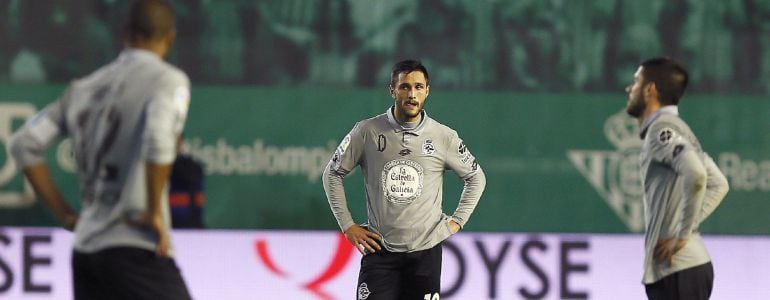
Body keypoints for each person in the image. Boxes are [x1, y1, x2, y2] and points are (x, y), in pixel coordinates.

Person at [8, 0, 192, 299]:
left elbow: (23, 142)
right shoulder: (167, 80)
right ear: (169, 36)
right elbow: (159, 141)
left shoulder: (83, 88)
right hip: (136, 245)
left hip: (86, 252)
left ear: (124, 33)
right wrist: (152, 212)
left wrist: (67, 216)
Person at [322, 59, 486, 299]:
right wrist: (348, 225)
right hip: (379, 251)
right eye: (405, 87)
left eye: (419, 87)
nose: (412, 94)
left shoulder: (443, 136)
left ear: (427, 91)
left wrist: (457, 221)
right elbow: (332, 173)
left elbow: (476, 177)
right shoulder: (367, 131)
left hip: (425, 255)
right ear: (392, 90)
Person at [625, 57, 729, 300]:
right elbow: (719, 183)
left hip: (678, 270)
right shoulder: (678, 128)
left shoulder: (661, 131)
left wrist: (681, 235)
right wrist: (685, 227)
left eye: (636, 82)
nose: (629, 89)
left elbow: (697, 174)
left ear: (650, 90)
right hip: (684, 270)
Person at [169, 135, 206, 229]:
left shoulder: (191, 166)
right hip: (160, 225)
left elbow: (189, 177)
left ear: (180, 141)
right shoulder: (148, 167)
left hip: (189, 226)